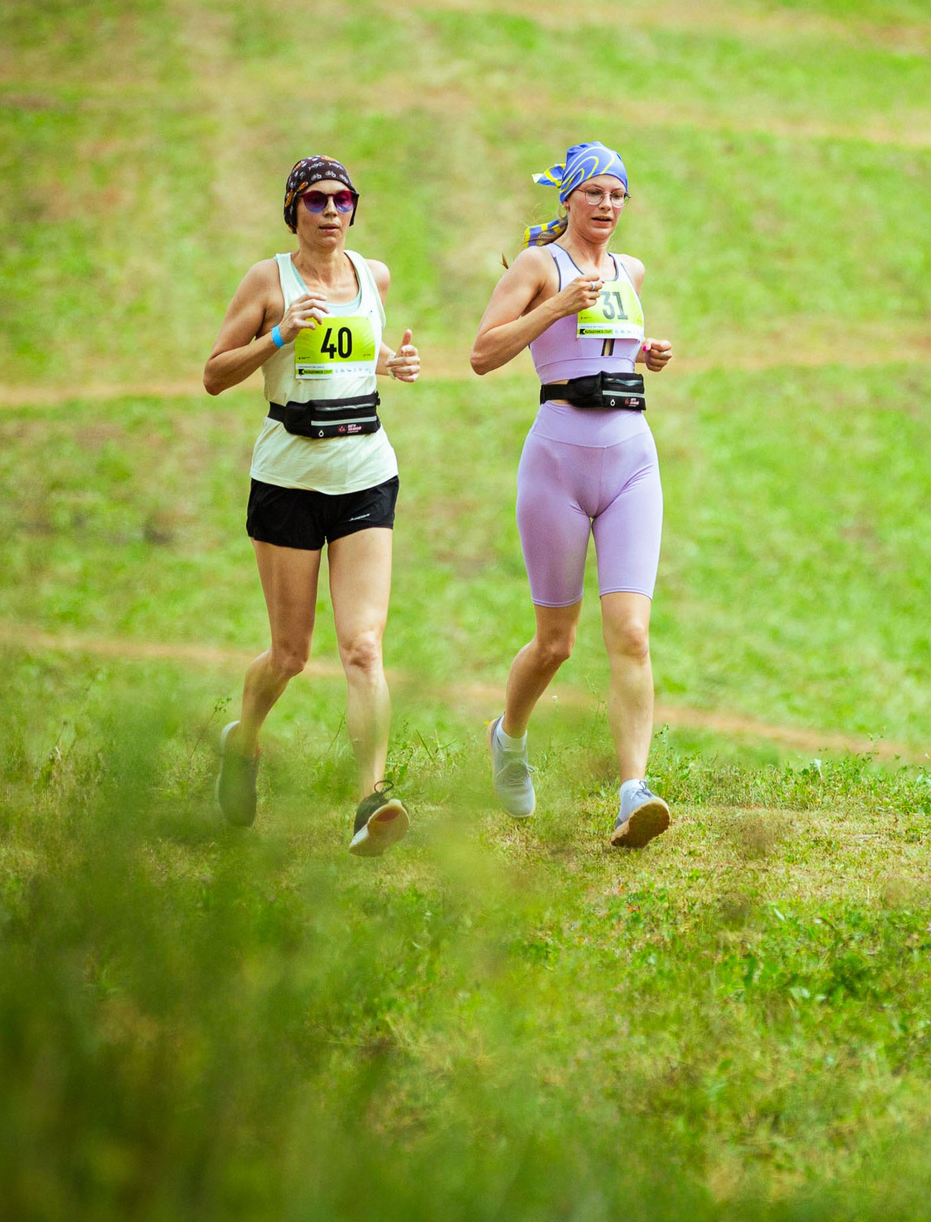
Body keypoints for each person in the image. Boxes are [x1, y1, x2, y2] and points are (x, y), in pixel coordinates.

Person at [202, 156, 423, 853]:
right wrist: (277, 335)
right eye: (317, 200)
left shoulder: (374, 276)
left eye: (343, 200)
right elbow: (214, 374)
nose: (331, 212)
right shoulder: (269, 281)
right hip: (289, 479)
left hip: (364, 471)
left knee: (362, 646)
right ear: (294, 210)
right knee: (291, 655)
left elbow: (352, 347)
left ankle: (371, 799)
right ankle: (245, 741)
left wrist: (390, 362)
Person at [468, 142, 678, 849]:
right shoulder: (538, 265)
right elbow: (483, 353)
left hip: (630, 460)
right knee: (556, 643)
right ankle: (509, 735)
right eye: (594, 194)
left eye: (617, 196)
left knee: (632, 631)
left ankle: (632, 790)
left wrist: (643, 352)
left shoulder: (630, 270)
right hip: (557, 460)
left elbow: (607, 345)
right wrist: (556, 302)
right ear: (568, 199)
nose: (607, 207)